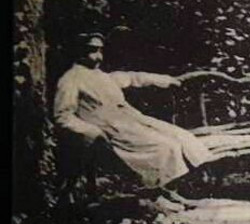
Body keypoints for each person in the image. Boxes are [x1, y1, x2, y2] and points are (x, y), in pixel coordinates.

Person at [54, 33, 214, 192]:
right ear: (79, 51)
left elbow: (132, 77)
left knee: (181, 136)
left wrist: (165, 80)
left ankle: (169, 190)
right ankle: (156, 193)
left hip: (130, 120)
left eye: (100, 51)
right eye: (92, 50)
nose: (98, 56)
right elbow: (63, 116)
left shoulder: (101, 75)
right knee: (165, 147)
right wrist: (92, 131)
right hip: (111, 129)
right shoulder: (70, 80)